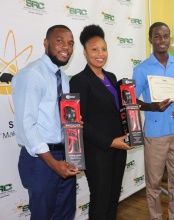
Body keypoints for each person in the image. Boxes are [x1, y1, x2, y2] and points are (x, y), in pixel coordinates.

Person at [12, 25, 80, 220]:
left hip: (64, 154)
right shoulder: (33, 74)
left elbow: (56, 118)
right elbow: (26, 124)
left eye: (70, 43)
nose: (66, 47)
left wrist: (74, 123)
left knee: (65, 214)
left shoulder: (64, 78)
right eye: (59, 40)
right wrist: (52, 162)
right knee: (42, 215)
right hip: (40, 160)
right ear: (46, 43)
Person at [69, 24, 134, 220]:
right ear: (85, 52)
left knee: (114, 198)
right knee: (100, 200)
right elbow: (82, 122)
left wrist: (131, 120)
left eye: (104, 49)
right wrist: (110, 141)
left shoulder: (111, 77)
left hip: (118, 148)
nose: (100, 54)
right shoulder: (79, 81)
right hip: (97, 152)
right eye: (94, 49)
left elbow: (117, 111)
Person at [132, 22, 174, 220]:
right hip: (155, 134)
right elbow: (132, 101)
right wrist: (152, 107)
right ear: (150, 39)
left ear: (169, 38)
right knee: (154, 183)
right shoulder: (141, 69)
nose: (162, 40)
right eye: (157, 36)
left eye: (165, 36)